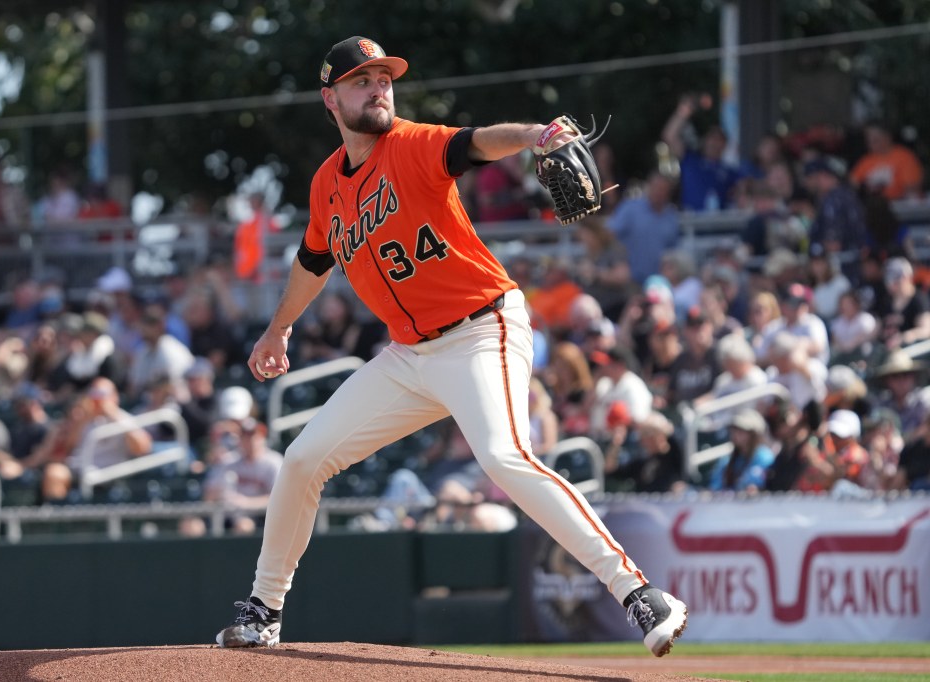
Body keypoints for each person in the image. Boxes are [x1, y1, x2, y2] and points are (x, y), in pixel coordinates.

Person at [214, 36, 687, 657]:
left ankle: (640, 592)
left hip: (480, 327)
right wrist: (279, 328)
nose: (378, 88)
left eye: (384, 78)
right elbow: (313, 258)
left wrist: (534, 134)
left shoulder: (412, 143)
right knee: (302, 459)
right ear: (330, 98)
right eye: (362, 80)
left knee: (503, 456)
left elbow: (476, 142)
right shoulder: (327, 183)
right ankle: (264, 611)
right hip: (410, 355)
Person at [661, 93, 742, 211]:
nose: (714, 142)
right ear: (704, 141)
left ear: (724, 144)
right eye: (711, 137)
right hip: (691, 225)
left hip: (721, 225)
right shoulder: (690, 160)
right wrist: (685, 110)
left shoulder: (730, 171)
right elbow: (669, 136)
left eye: (718, 138)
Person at [203, 417, 283, 534]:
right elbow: (208, 496)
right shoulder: (229, 460)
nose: (250, 440)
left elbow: (279, 499)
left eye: (254, 436)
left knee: (243, 526)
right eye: (245, 436)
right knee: (192, 525)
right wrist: (219, 494)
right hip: (227, 514)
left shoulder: (273, 462)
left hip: (260, 516)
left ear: (262, 438)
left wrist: (246, 502)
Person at [605, 171, 680, 285]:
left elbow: (673, 250)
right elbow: (609, 234)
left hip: (659, 283)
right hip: (630, 281)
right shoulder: (630, 208)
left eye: (663, 189)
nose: (658, 192)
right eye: (656, 187)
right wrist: (616, 264)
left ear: (668, 193)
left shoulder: (671, 216)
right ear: (649, 187)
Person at [849, 121, 924, 201]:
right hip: (872, 205)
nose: (870, 144)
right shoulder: (866, 160)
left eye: (875, 140)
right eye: (868, 140)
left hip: (898, 205)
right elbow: (852, 183)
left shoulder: (904, 157)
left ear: (888, 137)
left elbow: (913, 188)